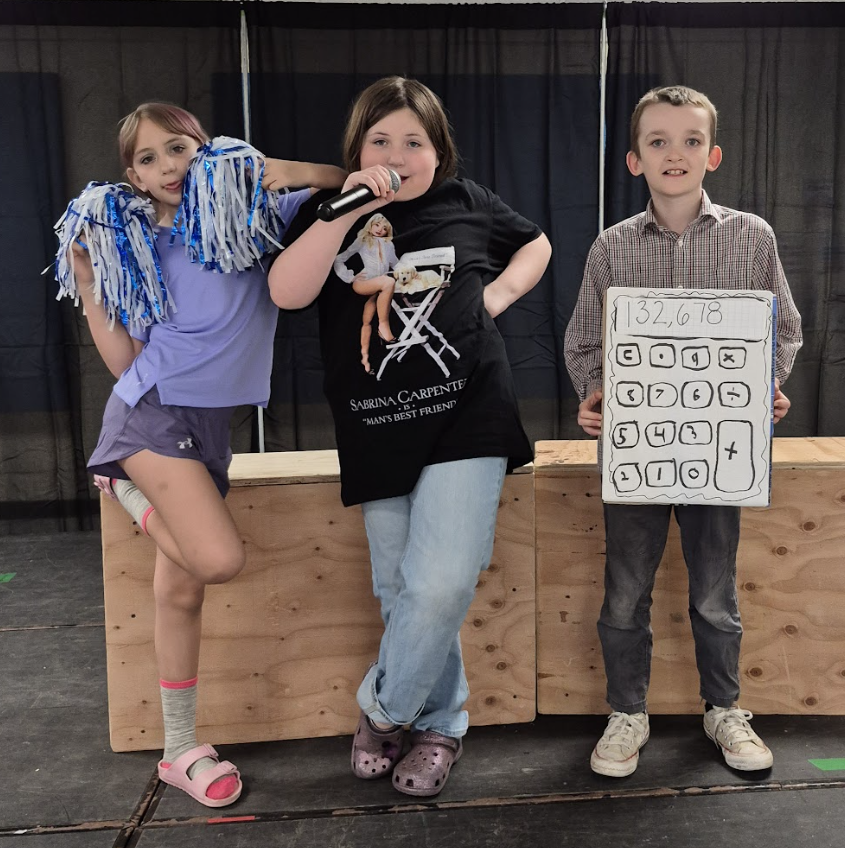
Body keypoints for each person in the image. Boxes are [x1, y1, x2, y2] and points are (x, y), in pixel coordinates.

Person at [269, 77, 551, 797]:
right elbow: (288, 292)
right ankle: (442, 725)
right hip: (375, 427)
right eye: (381, 140)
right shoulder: (328, 213)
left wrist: (498, 296)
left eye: (414, 141)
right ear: (358, 149)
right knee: (401, 592)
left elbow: (537, 244)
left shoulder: (469, 202)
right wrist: (346, 207)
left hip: (469, 412)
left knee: (443, 579)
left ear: (439, 149)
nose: (398, 153)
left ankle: (384, 708)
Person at [66, 102, 345, 807]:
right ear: (130, 174)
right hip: (151, 413)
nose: (167, 168)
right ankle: (121, 483)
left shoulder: (250, 214)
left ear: (206, 148)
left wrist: (261, 170)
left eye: (180, 148)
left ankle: (178, 749)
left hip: (210, 427)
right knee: (217, 560)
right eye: (148, 159)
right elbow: (126, 357)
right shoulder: (139, 242)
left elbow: (337, 181)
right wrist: (93, 289)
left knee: (182, 588)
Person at [564, 85, 802, 778]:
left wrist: (764, 391)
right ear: (635, 160)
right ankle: (626, 713)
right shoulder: (611, 248)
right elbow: (584, 342)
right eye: (659, 142)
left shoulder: (751, 237)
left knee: (714, 593)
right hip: (636, 455)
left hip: (720, 452)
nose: (676, 153)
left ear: (713, 154)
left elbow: (781, 330)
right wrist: (594, 396)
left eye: (691, 140)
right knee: (625, 591)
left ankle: (724, 709)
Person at [334, 213, 400, 371]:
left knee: (367, 320)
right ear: (370, 225)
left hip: (378, 287)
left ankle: (365, 362)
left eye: (384, 228)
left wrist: (409, 272)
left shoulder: (388, 245)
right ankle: (384, 328)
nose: (379, 230)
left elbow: (396, 264)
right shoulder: (363, 241)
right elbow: (339, 259)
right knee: (388, 281)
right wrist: (349, 277)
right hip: (364, 282)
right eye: (377, 225)